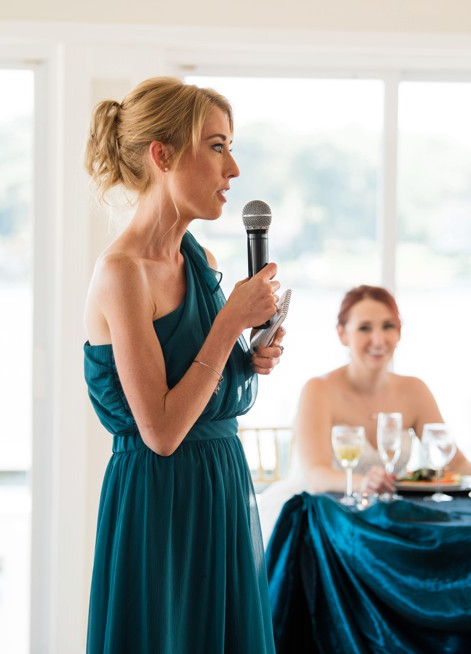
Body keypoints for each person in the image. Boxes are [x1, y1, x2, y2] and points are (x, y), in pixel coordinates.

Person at [81, 77, 284, 654]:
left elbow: (203, 379)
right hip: (159, 504)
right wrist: (227, 326)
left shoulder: (203, 260)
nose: (235, 169)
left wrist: (249, 356)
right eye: (217, 146)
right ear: (163, 155)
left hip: (221, 484)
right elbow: (163, 431)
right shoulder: (122, 272)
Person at [294, 285, 471, 496]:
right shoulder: (319, 389)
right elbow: (317, 475)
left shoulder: (414, 389)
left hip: (386, 510)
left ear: (399, 333)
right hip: (326, 510)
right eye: (364, 328)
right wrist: (362, 483)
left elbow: (454, 463)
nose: (378, 340)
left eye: (388, 326)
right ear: (342, 334)